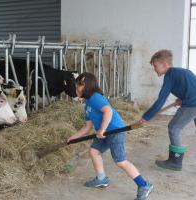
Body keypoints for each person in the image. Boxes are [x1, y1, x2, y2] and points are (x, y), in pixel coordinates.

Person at [68, 72, 153, 200]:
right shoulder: (87, 105)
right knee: (94, 151)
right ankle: (101, 178)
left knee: (120, 161)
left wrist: (101, 129)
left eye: (77, 86)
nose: (76, 89)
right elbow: (87, 126)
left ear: (86, 86)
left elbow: (107, 111)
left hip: (115, 131)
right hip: (103, 133)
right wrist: (73, 137)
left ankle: (144, 185)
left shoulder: (95, 98)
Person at [139, 49, 196, 171]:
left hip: (192, 105)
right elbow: (191, 87)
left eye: (155, 66)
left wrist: (146, 116)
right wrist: (183, 99)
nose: (154, 69)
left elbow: (160, 101)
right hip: (191, 102)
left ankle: (175, 161)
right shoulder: (181, 72)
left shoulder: (170, 75)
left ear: (165, 64)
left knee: (174, 127)